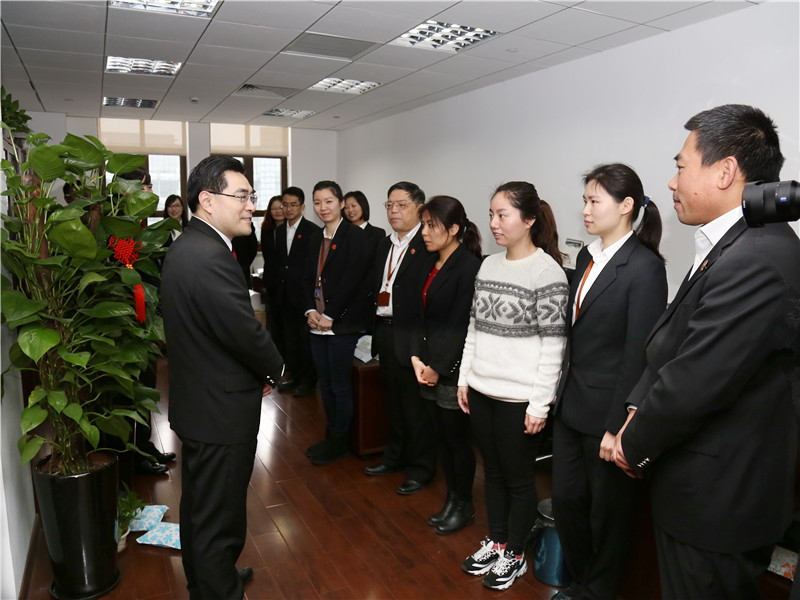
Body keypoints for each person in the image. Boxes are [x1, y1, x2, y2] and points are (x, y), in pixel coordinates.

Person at [613, 104, 800, 600]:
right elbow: (674, 339)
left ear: (724, 171)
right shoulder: (736, 242)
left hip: (720, 501)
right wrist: (635, 408)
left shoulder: (756, 256)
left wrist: (633, 443)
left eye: (681, 166)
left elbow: (696, 380)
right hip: (702, 489)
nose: (672, 182)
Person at [161, 155, 283, 599]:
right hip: (219, 410)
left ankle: (209, 580)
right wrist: (276, 368)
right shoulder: (208, 255)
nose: (252, 205)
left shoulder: (192, 246)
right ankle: (218, 589)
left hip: (201, 403)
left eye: (252, 195)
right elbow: (243, 330)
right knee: (220, 516)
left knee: (201, 506)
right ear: (208, 200)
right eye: (243, 196)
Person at [551, 164, 667, 600]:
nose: (585, 209)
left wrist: (617, 426)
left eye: (594, 201)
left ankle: (599, 591)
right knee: (567, 504)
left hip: (606, 416)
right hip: (571, 405)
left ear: (626, 206)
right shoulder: (587, 256)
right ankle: (582, 582)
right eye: (584, 200)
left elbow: (639, 355)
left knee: (607, 517)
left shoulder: (645, 267)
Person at [458, 181, 568, 591]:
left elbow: (554, 347)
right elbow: (474, 329)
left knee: (519, 479)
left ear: (529, 220)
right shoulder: (488, 265)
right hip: (481, 391)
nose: (494, 223)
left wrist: (539, 405)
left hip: (519, 399)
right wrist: (465, 378)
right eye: (491, 214)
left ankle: (516, 553)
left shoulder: (547, 272)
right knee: (492, 473)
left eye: (502, 215)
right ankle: (499, 540)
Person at [410, 195, 483, 535]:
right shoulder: (429, 262)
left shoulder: (468, 267)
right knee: (441, 437)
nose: (425, 232)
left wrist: (437, 367)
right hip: (427, 365)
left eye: (431, 225)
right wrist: (416, 357)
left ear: (453, 229)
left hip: (452, 370)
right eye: (424, 225)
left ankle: (463, 504)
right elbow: (417, 314)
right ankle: (452, 499)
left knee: (457, 441)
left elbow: (460, 325)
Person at [364, 181, 437, 496]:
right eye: (389, 205)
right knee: (393, 403)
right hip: (385, 331)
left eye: (401, 205)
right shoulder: (385, 244)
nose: (394, 211)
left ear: (420, 208)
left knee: (416, 408)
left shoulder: (427, 243)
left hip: (413, 336)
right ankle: (394, 456)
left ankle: (421, 468)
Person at [303, 181, 370, 465]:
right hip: (316, 324)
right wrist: (310, 310)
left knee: (340, 386)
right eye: (318, 202)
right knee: (326, 384)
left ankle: (340, 441)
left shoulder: (355, 237)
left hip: (341, 325)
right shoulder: (313, 238)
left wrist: (330, 315)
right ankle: (331, 435)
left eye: (329, 201)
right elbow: (306, 279)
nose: (323, 208)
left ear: (341, 203)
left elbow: (352, 282)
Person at [274, 186, 320, 397]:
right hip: (284, 294)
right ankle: (293, 375)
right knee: (289, 339)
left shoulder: (312, 231)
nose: (288, 209)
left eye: (293, 205)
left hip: (303, 295)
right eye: (285, 205)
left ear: (302, 206)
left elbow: (312, 268)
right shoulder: (279, 231)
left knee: (305, 341)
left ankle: (308, 380)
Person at [261, 195, 285, 335]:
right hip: (272, 279)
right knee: (274, 317)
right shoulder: (266, 229)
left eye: (280, 207)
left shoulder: (292, 229)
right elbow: (267, 255)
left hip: (288, 282)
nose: (277, 211)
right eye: (273, 208)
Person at [344, 190, 386, 256]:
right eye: (346, 207)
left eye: (353, 206)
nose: (350, 210)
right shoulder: (342, 233)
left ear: (363, 206)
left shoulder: (378, 233)